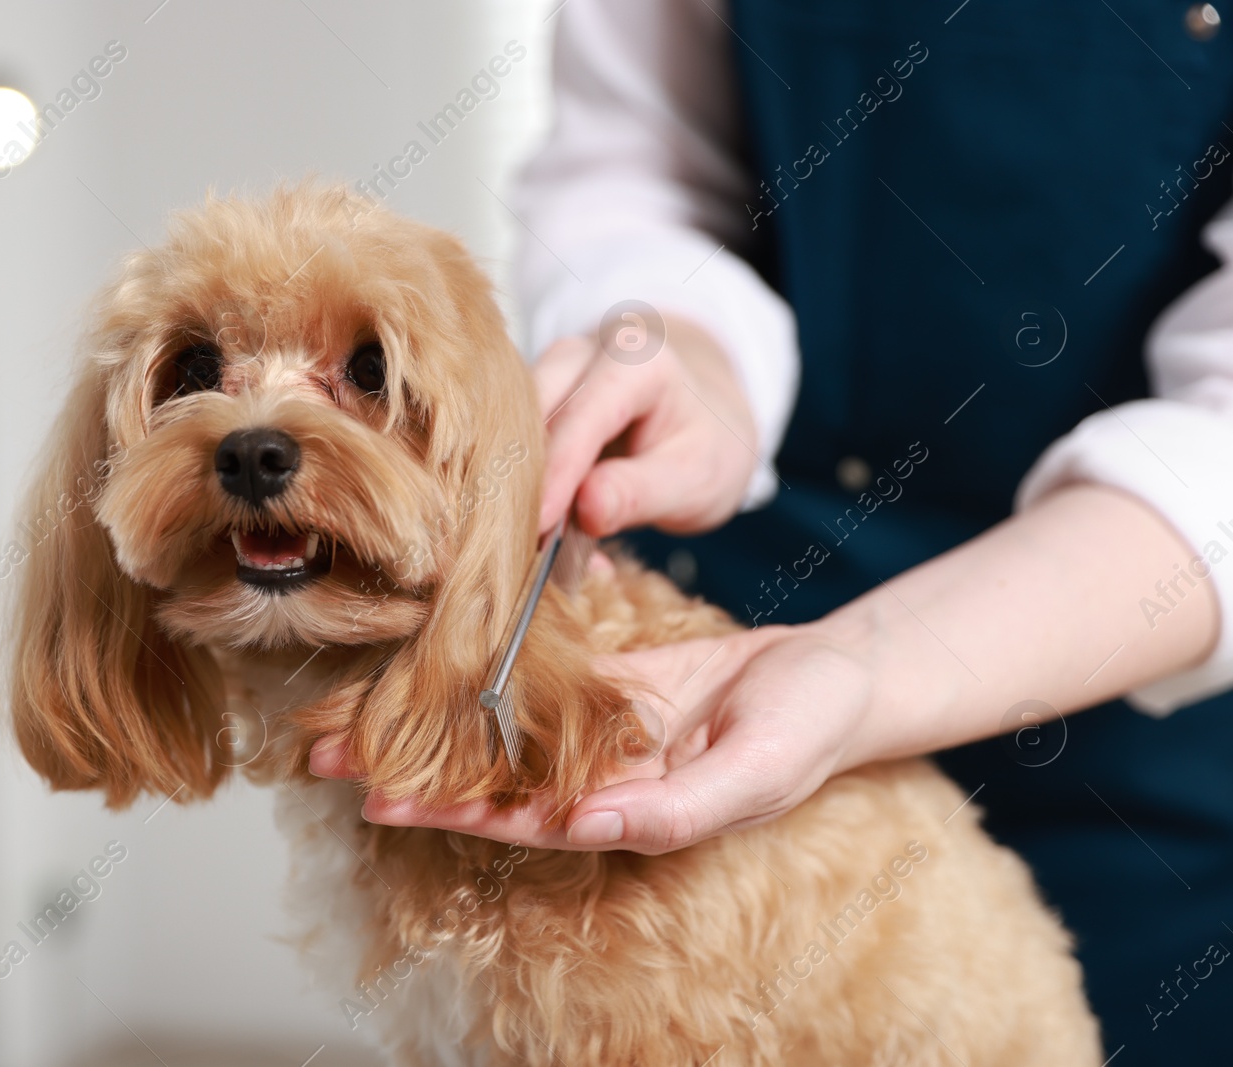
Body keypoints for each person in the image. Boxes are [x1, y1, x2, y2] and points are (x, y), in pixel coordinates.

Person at [313, 0, 1233, 1054]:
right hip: (723, 643)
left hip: (1143, 749)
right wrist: (684, 348)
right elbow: (640, 163)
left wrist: (862, 664)